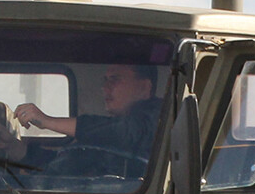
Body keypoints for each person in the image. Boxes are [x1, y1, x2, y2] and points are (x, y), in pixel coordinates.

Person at [13, 64, 162, 179]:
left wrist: (47, 121)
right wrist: (14, 148)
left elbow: (124, 132)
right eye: (105, 81)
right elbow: (73, 160)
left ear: (144, 88)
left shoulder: (158, 119)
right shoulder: (109, 134)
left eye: (115, 80)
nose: (105, 87)